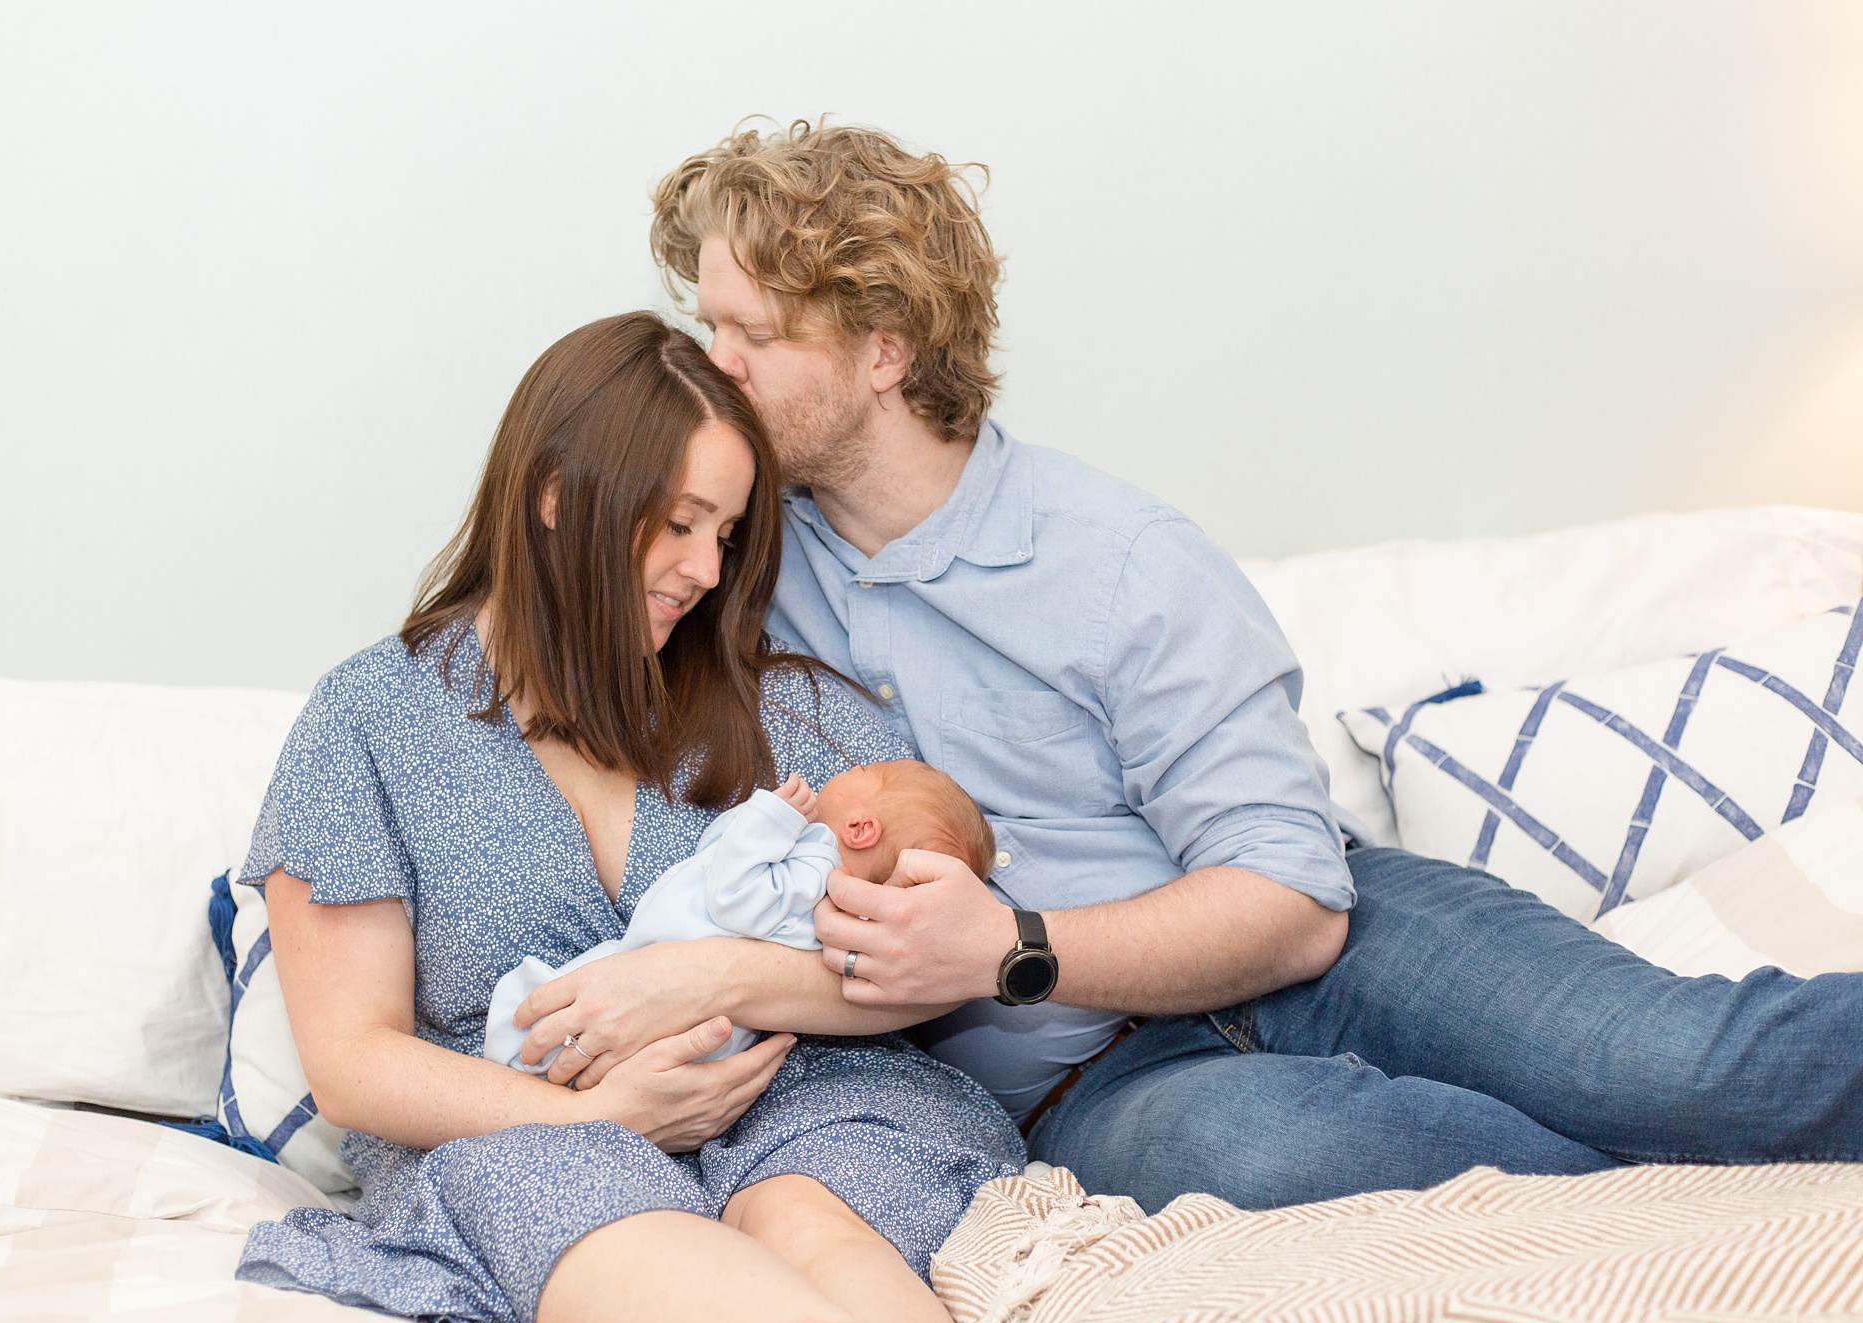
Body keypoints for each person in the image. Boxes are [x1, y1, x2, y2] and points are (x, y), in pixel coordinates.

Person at [633, 119, 1863, 1214]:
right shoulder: (732, 568)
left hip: (1337, 943)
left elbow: (1292, 905)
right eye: (708, 324)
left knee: (1675, 1067)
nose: (714, 364)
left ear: (884, 349)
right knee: (1321, 1166)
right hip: (1096, 1082)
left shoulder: (1115, 558)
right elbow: (563, 591)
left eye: (752, 334)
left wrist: (1008, 945)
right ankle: (1698, 1210)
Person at [232, 311, 1024, 1323]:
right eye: (682, 523)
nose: (707, 570)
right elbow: (352, 1059)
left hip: (803, 1092)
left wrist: (716, 977)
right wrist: (593, 1112)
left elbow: (925, 956)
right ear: (559, 495)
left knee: (809, 1216)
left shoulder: (781, 707)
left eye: (726, 535)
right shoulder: (369, 720)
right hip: (525, 1132)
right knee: (636, 1246)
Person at [484, 759, 993, 1073]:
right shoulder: (828, 892)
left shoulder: (816, 868)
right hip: (694, 1011)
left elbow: (732, 895)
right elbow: (714, 852)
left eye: (863, 772)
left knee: (536, 1006)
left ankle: (515, 1064)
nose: (850, 767)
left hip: (661, 971)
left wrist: (770, 818)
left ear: (861, 828)